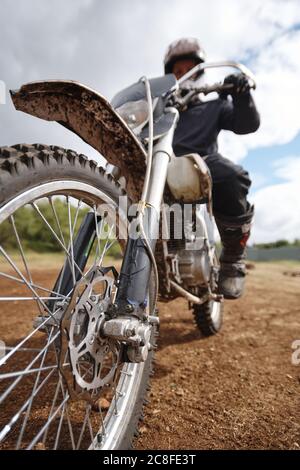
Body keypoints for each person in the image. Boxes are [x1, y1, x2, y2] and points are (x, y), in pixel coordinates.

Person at [164, 37, 260, 299]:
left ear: (200, 73)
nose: (184, 76)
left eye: (190, 70)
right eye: (178, 72)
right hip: (160, 168)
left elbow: (246, 124)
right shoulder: (160, 111)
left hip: (201, 163)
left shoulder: (212, 105)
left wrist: (241, 95)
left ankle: (232, 260)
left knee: (231, 176)